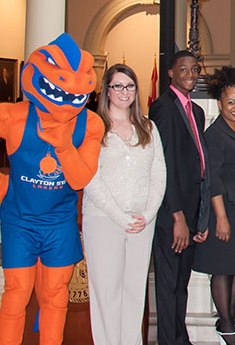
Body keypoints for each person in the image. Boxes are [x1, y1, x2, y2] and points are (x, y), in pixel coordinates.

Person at [83, 64, 165, 345]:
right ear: (107, 90)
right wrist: (120, 217)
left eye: (129, 86)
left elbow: (159, 174)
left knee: (133, 292)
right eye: (117, 85)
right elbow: (90, 178)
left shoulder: (149, 127)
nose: (124, 92)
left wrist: (147, 213)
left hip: (142, 222)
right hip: (104, 219)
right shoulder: (92, 128)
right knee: (107, 293)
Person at [149, 51, 210, 345]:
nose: (190, 73)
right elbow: (164, 164)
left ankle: (179, 338)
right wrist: (177, 217)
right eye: (183, 69)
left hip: (191, 206)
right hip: (172, 212)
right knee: (168, 282)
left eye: (194, 69)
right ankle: (168, 340)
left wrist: (199, 215)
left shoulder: (195, 111)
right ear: (171, 73)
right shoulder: (162, 107)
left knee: (181, 284)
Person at [192, 67, 235, 344]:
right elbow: (212, 178)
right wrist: (221, 218)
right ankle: (228, 327)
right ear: (220, 103)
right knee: (223, 269)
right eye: (230, 102)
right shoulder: (215, 134)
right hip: (225, 209)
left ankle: (225, 320)